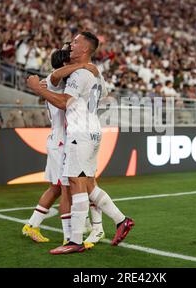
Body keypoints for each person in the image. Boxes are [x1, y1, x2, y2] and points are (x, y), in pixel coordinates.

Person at [27, 32, 134, 255]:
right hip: (93, 128)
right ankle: (118, 221)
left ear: (85, 49)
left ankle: (74, 239)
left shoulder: (78, 75)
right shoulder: (93, 73)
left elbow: (66, 102)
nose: (71, 45)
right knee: (85, 183)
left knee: (75, 184)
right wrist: (86, 68)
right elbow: (103, 92)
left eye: (75, 42)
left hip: (78, 131)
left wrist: (39, 89)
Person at [22, 62, 100, 249]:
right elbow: (65, 103)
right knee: (66, 188)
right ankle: (69, 236)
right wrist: (83, 66)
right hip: (61, 141)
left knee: (57, 188)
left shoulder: (55, 84)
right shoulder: (56, 85)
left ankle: (32, 224)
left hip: (59, 139)